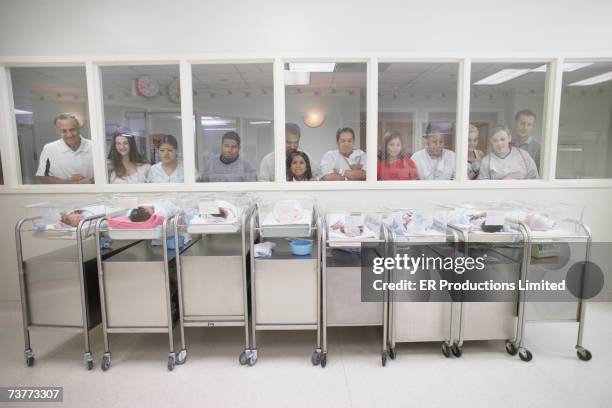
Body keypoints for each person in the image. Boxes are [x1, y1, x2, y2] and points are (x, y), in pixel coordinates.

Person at [36, 113, 94, 184]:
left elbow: (107, 173)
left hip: (91, 193)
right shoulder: (49, 149)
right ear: (57, 131)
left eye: (72, 129)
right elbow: (44, 178)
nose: (69, 135)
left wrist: (90, 181)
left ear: (79, 128)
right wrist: (74, 183)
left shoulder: (94, 146)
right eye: (64, 131)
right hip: (62, 194)